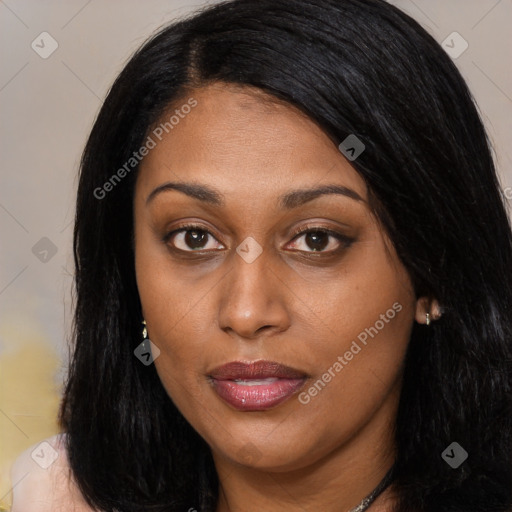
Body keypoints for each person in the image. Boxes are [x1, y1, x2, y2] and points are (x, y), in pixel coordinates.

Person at [10, 0, 512, 511]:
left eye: (317, 240)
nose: (246, 313)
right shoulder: (56, 497)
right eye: (194, 238)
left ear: (434, 275)